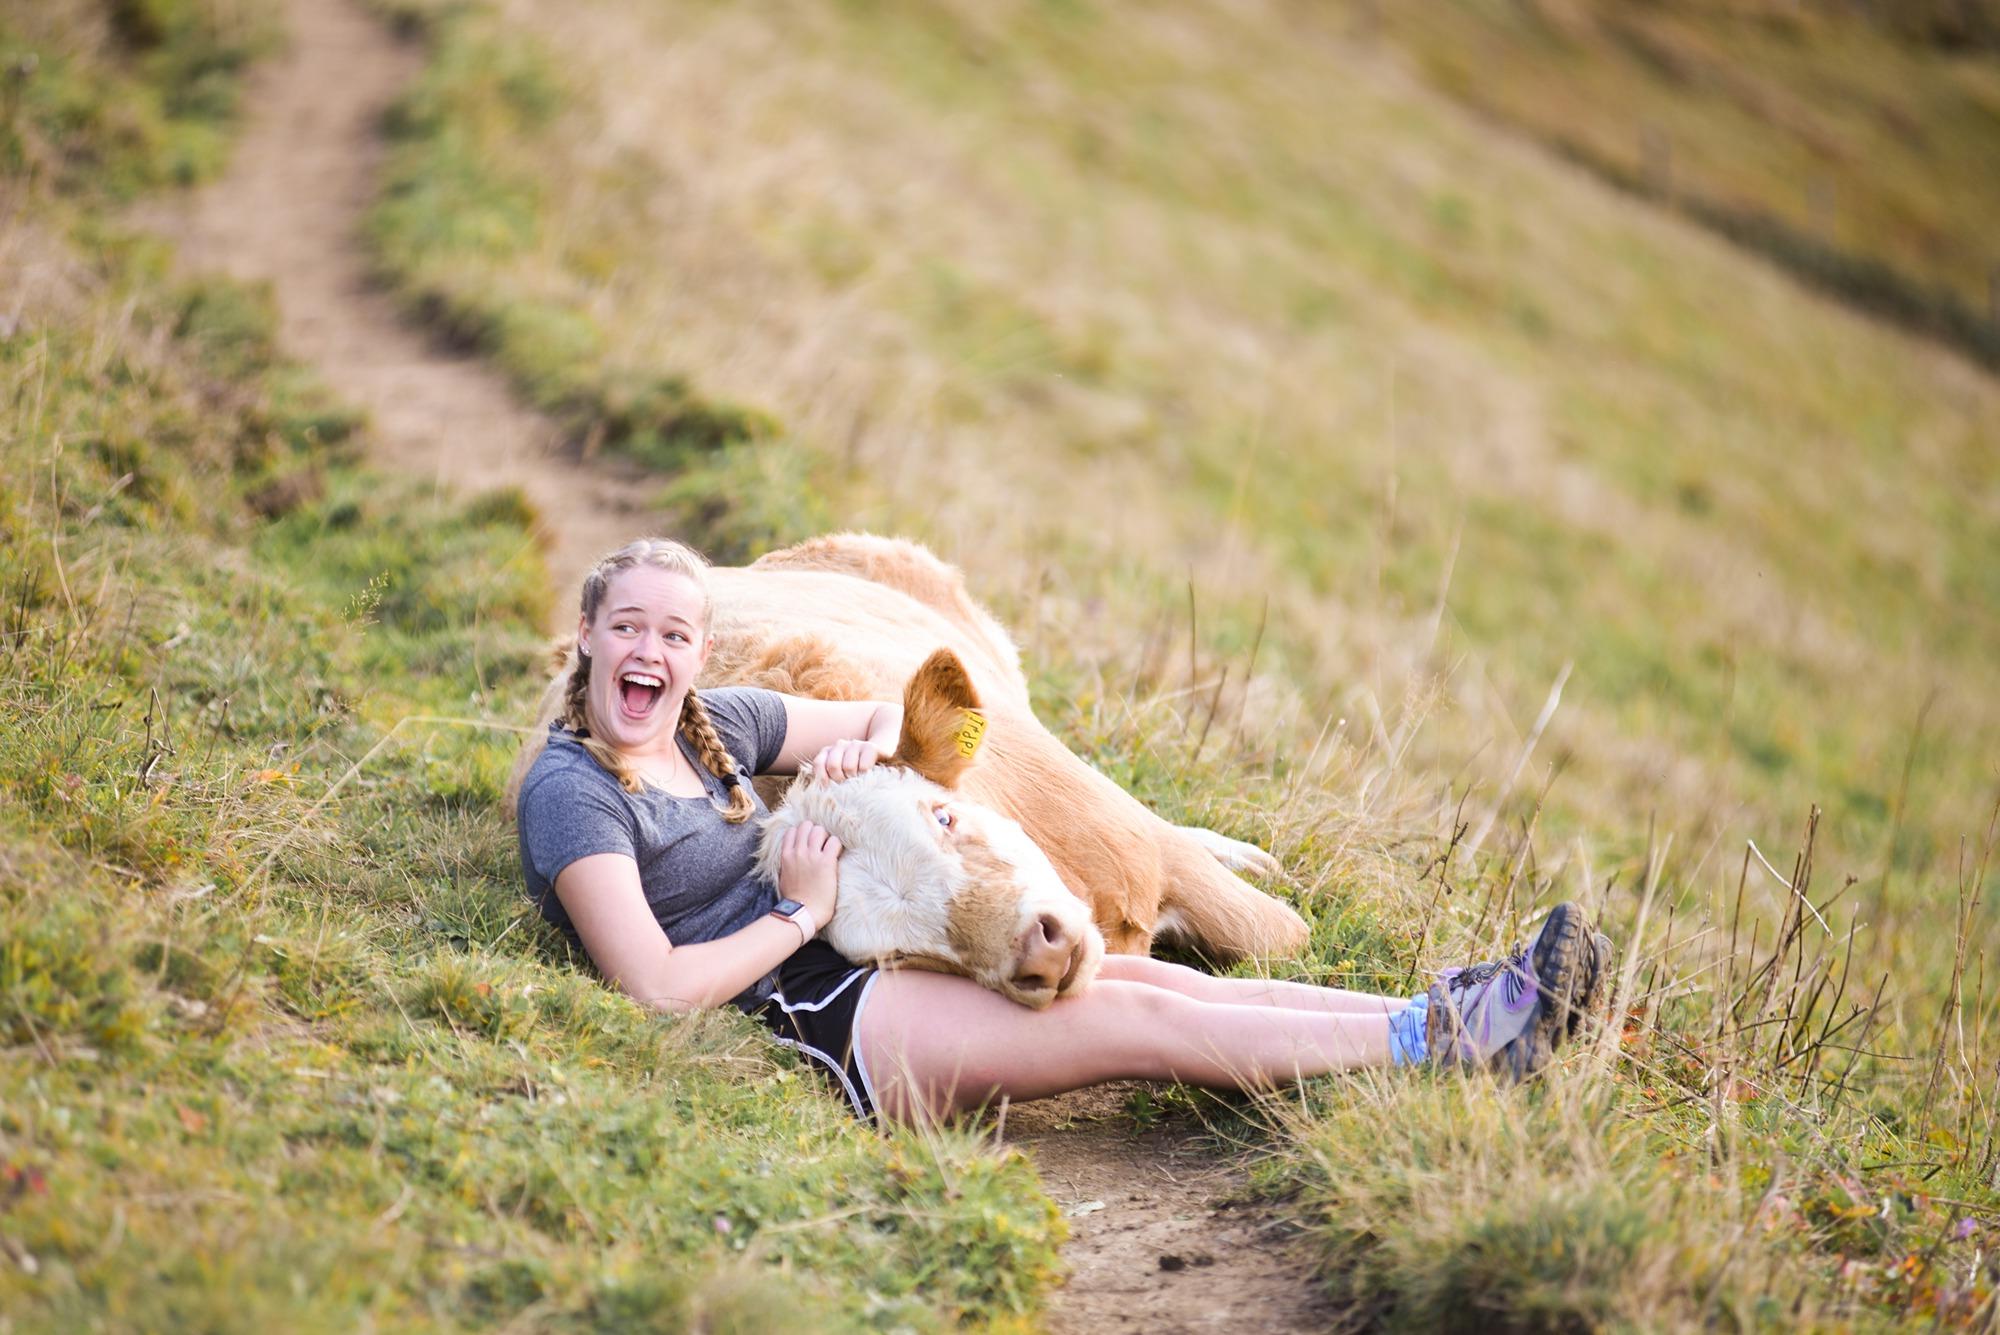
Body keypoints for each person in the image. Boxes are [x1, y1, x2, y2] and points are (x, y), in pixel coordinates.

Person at [514, 538, 1608, 1125]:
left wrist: (859, 747)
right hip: (810, 1012)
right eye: (628, 631)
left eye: (674, 632)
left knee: (1156, 989)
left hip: (850, 950)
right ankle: (1458, 1044)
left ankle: (1447, 1011)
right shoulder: (574, 795)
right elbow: (652, 986)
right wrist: (801, 907)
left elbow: (909, 719)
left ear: (698, 652)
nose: (649, 654)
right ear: (588, 639)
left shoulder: (721, 724)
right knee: (1124, 1031)